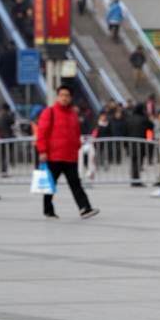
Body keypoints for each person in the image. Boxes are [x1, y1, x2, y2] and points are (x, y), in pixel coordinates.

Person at [36, 85, 99, 220]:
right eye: (62, 95)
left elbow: (77, 133)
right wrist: (42, 151)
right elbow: (42, 133)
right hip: (54, 156)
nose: (64, 98)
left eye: (67, 95)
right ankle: (48, 210)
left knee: (75, 182)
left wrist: (77, 146)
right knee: (51, 184)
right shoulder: (49, 112)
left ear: (70, 98)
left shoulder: (73, 115)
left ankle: (85, 208)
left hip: (70, 156)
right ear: (58, 97)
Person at [126, 103, 152, 187]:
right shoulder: (143, 119)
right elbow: (151, 126)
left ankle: (134, 178)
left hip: (131, 144)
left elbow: (124, 132)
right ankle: (136, 179)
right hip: (141, 144)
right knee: (139, 161)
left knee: (133, 161)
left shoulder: (129, 119)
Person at [0, 104, 15, 174]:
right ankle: (4, 168)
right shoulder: (7, 115)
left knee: (2, 153)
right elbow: (12, 122)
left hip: (1, 136)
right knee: (7, 154)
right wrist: (11, 115)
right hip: (8, 136)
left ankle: (1, 167)